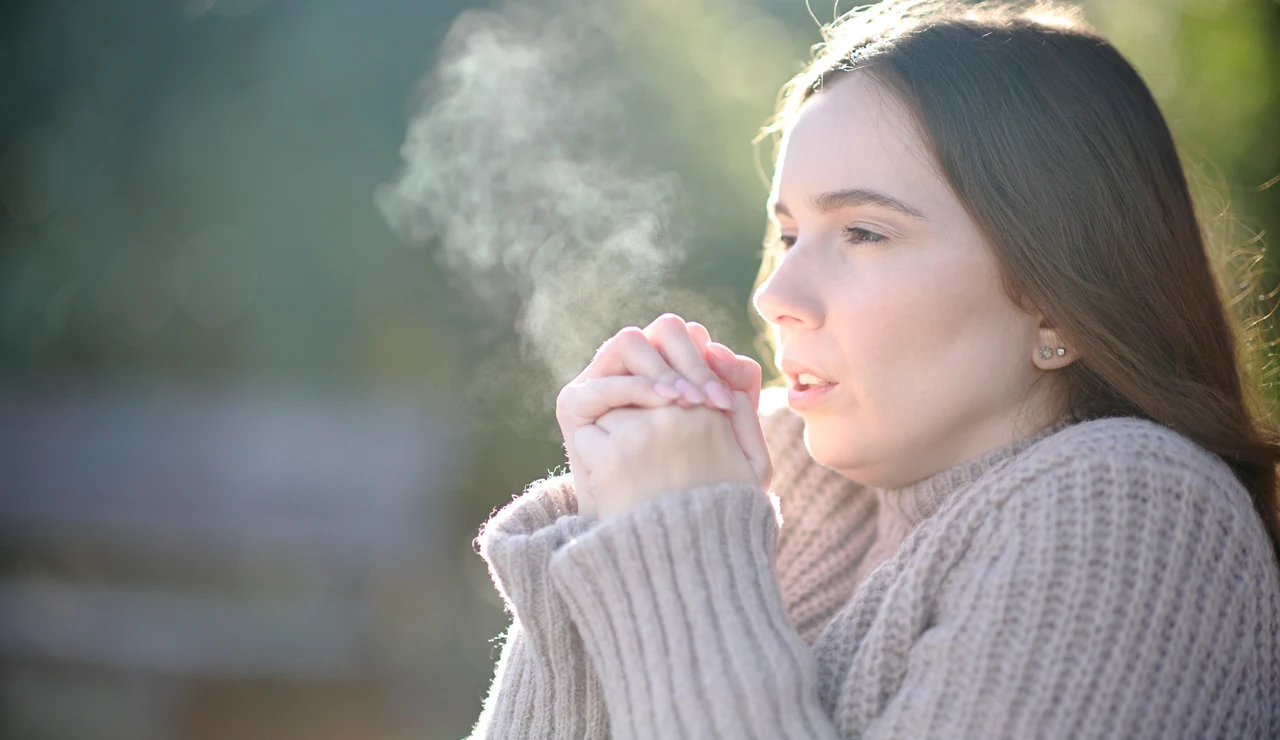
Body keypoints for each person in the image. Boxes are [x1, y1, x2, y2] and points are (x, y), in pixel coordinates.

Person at [465, 1, 1280, 737]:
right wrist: (604, 537)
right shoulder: (780, 480)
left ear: (1058, 303)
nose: (776, 296)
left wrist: (678, 541)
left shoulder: (1135, 511)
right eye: (789, 236)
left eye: (863, 232)